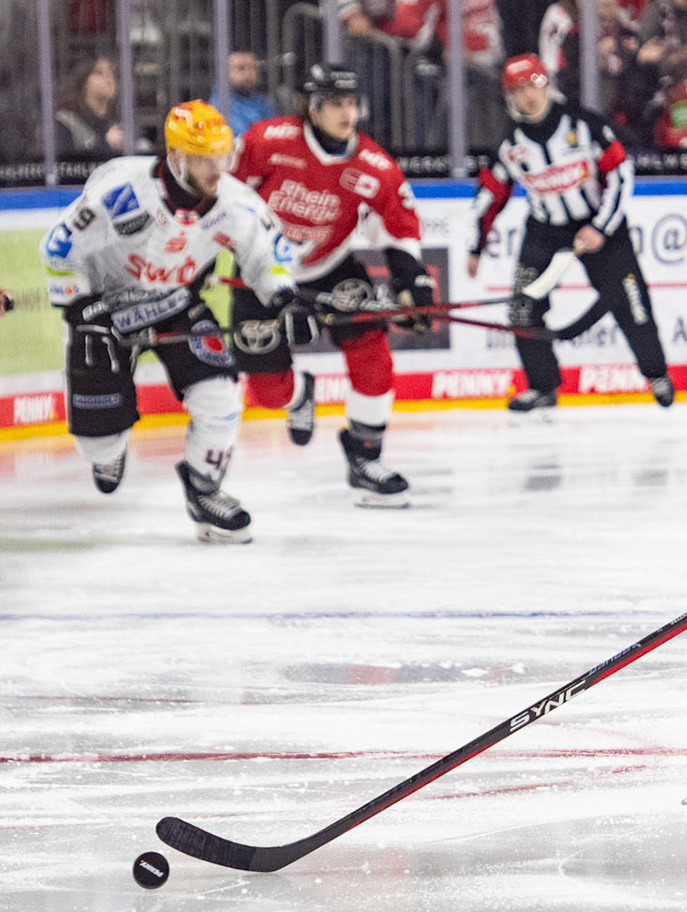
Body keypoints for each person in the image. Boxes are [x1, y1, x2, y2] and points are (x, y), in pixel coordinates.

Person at [40, 101, 302, 543]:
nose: (217, 169)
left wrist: (282, 299)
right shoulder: (122, 192)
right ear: (176, 157)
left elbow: (270, 256)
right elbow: (58, 249)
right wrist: (83, 309)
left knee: (221, 396)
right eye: (204, 159)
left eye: (221, 156)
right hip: (105, 311)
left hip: (176, 304)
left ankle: (204, 489)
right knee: (99, 443)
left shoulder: (235, 203)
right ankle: (108, 446)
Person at [231, 63, 429, 506]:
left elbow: (398, 229)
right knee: (267, 391)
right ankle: (299, 394)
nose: (346, 113)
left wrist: (411, 281)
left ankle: (365, 455)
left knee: (372, 350)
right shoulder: (268, 141)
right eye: (336, 104)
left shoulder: (374, 165)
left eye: (352, 103)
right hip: (260, 273)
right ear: (313, 107)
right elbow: (222, 192)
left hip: (331, 268)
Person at [470, 55, 673, 412]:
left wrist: (600, 227)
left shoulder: (584, 123)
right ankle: (542, 386)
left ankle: (656, 374)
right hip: (545, 231)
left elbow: (621, 171)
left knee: (631, 300)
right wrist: (477, 246)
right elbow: (490, 196)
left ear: (547, 84)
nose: (529, 95)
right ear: (510, 96)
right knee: (523, 309)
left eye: (534, 84)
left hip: (599, 226)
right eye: (519, 89)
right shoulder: (510, 144)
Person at [55, 57, 125, 159]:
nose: (110, 79)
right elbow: (64, 163)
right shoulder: (65, 121)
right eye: (99, 73)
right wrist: (105, 143)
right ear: (83, 80)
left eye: (113, 72)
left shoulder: (122, 121)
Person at [224, 51, 279, 134]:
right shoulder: (221, 105)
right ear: (225, 73)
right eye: (241, 68)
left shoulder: (261, 101)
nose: (248, 74)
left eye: (253, 68)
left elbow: (277, 129)